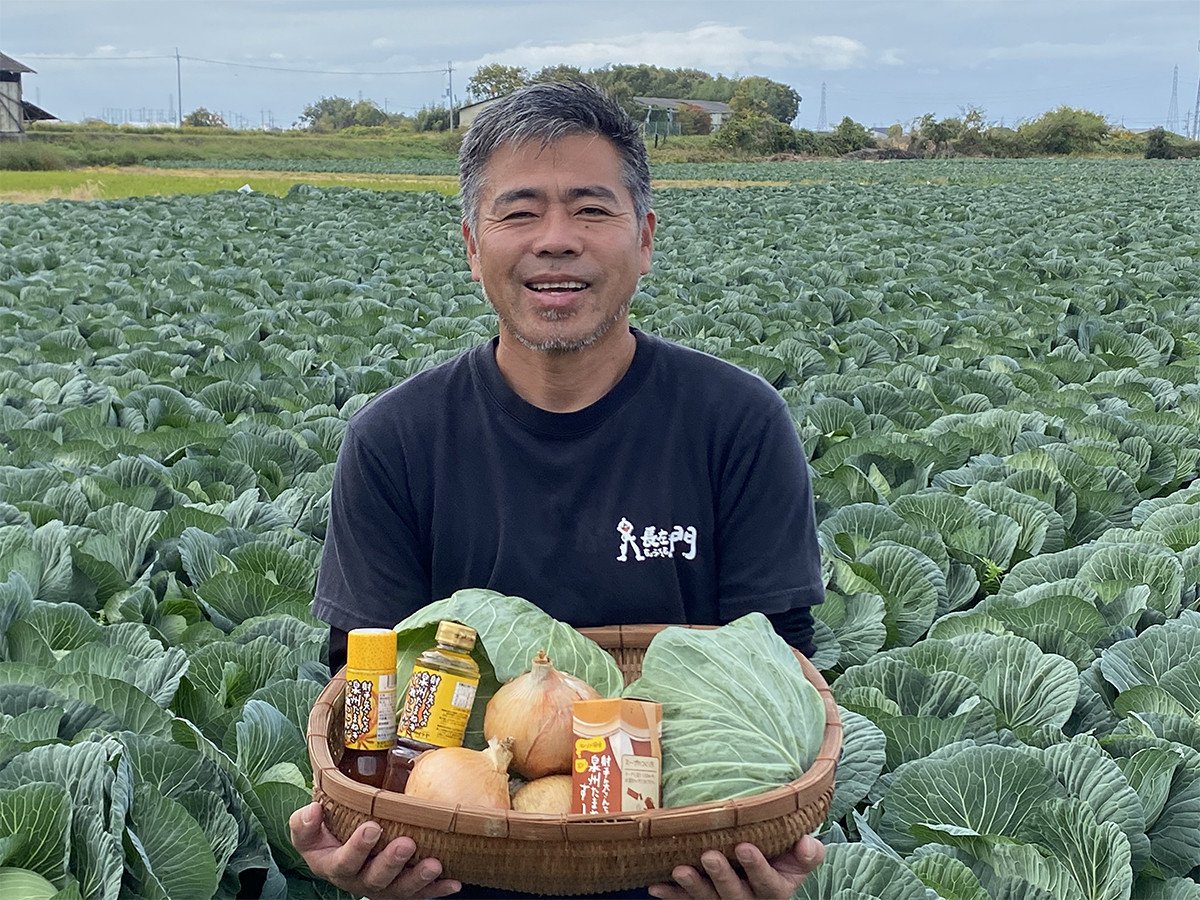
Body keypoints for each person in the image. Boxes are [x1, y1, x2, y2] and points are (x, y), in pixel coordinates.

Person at [290, 80, 826, 900]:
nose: (556, 241)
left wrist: (775, 832)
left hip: (677, 865)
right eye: (519, 212)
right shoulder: (395, 438)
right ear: (472, 245)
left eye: (590, 209)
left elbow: (781, 660)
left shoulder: (737, 422)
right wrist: (364, 831)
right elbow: (362, 675)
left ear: (644, 239)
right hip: (458, 872)